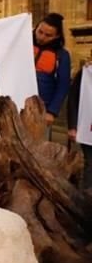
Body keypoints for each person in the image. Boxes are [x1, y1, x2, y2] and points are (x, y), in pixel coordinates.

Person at [33, 13, 70, 126]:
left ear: (57, 36)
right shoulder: (21, 44)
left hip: (41, 109)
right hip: (13, 103)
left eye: (48, 35)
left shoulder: (62, 55)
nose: (42, 37)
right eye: (40, 32)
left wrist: (52, 112)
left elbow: (63, 85)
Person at [67, 52, 92, 190]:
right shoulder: (85, 74)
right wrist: (72, 126)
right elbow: (73, 99)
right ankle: (88, 198)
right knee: (91, 164)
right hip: (88, 127)